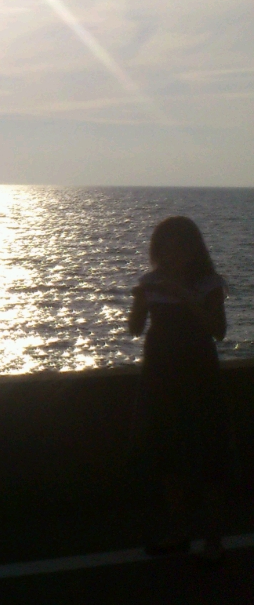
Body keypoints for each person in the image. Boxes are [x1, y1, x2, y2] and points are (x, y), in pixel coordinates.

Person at [128, 215, 230, 564]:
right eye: (165, 247)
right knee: (167, 454)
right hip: (160, 374)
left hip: (197, 374)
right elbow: (134, 328)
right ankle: (179, 531)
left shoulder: (208, 285)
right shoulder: (151, 282)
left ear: (193, 249)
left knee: (207, 453)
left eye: (179, 247)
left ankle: (213, 537)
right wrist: (141, 304)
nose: (171, 254)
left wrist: (185, 297)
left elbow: (218, 331)